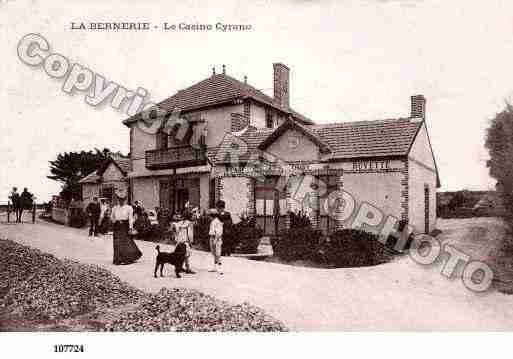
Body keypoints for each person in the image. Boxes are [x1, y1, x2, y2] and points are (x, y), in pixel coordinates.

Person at [110, 189, 142, 265]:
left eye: (122, 200)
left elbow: (131, 218)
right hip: (117, 226)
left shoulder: (129, 208)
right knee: (117, 243)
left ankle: (127, 259)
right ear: (118, 200)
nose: (121, 201)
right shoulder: (114, 208)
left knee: (125, 242)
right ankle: (117, 259)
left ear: (125, 200)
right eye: (119, 200)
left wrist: (131, 227)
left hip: (125, 226)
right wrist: (115, 221)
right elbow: (112, 217)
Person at [208, 208, 223, 274]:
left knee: (217, 253)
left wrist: (215, 240)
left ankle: (220, 268)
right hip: (212, 237)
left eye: (210, 215)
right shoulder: (213, 221)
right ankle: (215, 267)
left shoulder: (217, 222)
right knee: (214, 253)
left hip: (216, 238)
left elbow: (219, 232)